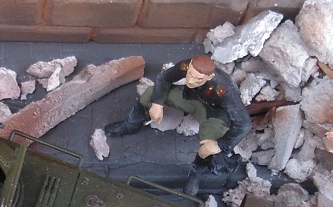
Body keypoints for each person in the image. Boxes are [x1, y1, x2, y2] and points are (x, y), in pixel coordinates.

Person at [103, 53, 250, 195]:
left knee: (208, 149)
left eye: (198, 79)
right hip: (191, 98)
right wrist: (157, 103)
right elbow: (163, 78)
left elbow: (244, 124)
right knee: (149, 93)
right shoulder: (186, 66)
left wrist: (220, 145)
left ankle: (195, 174)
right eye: (190, 74)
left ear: (209, 77)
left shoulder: (224, 90)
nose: (191, 80)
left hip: (213, 114)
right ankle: (131, 124)